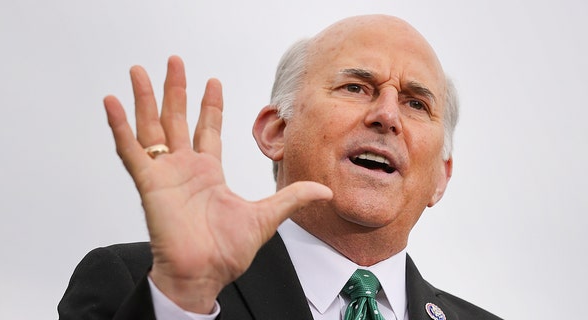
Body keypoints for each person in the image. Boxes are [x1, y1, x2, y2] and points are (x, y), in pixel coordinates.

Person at [59, 14, 501, 320]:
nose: (387, 115)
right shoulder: (142, 287)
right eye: (355, 87)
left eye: (416, 103)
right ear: (276, 131)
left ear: (441, 177)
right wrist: (183, 299)